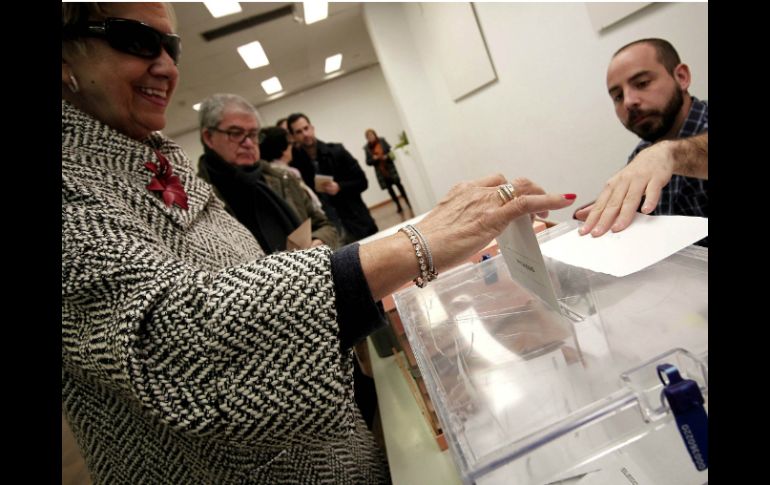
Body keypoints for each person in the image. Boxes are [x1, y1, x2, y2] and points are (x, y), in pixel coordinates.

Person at [62, 3, 577, 483]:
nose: (166, 66)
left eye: (171, 47)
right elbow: (172, 338)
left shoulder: (152, 158)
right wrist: (413, 245)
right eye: (136, 41)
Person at [575, 38, 707, 245]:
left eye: (642, 83)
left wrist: (670, 154)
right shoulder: (642, 154)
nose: (628, 102)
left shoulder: (654, 154)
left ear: (681, 77)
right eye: (618, 97)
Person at [197, 94, 339, 250]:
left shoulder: (283, 179)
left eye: (253, 134)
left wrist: (317, 242)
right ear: (209, 138)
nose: (248, 143)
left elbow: (325, 226)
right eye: (236, 133)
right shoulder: (199, 201)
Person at [288, 113, 379, 244]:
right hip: (327, 232)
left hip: (357, 222)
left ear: (312, 128)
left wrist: (339, 187)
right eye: (299, 132)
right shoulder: (295, 165)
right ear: (293, 137)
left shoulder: (337, 151)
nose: (305, 134)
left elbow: (362, 182)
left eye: (306, 128)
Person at [260, 125, 324, 212]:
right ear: (282, 148)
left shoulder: (267, 174)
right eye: (290, 144)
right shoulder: (286, 174)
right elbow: (307, 206)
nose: (292, 147)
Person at [363, 128, 411, 213]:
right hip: (381, 172)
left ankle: (408, 201)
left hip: (390, 168)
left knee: (399, 185)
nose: (371, 137)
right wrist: (374, 159)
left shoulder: (382, 140)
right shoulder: (367, 148)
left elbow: (390, 152)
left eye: (372, 135)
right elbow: (368, 162)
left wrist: (387, 156)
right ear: (367, 138)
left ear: (375, 134)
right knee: (390, 190)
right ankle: (398, 206)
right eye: (369, 136)